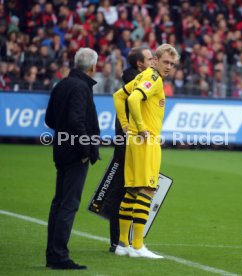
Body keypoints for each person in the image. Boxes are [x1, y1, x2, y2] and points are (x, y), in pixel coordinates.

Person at [113, 44, 180, 259]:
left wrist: (126, 126)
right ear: (155, 60)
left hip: (133, 140)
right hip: (146, 141)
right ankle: (138, 245)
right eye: (166, 62)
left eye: (172, 63)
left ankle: (122, 244)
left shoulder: (143, 76)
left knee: (132, 190)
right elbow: (132, 99)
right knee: (148, 190)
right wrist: (141, 129)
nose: (169, 67)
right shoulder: (154, 78)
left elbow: (118, 96)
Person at [45, 47, 100, 270]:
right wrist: (86, 151)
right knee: (69, 204)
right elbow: (77, 121)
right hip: (76, 153)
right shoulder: (81, 88)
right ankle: (59, 256)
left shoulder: (62, 85)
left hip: (60, 149)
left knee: (59, 203)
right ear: (93, 67)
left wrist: (64, 134)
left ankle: (53, 254)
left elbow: (50, 119)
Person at [108, 46, 153, 253]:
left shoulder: (137, 77)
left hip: (128, 138)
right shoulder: (138, 80)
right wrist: (131, 127)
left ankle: (121, 241)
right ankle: (121, 241)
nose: (153, 61)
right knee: (127, 188)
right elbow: (129, 100)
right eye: (150, 58)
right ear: (140, 64)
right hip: (131, 140)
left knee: (127, 188)